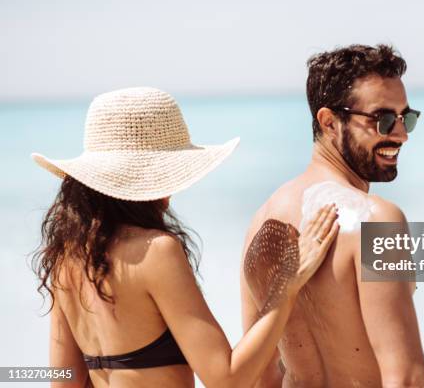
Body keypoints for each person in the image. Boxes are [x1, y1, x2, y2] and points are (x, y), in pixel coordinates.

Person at [31, 87, 339, 388]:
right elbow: (227, 378)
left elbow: (64, 381)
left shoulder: (66, 258)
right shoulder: (155, 252)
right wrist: (286, 285)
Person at [240, 45, 424, 387]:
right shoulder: (375, 220)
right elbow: (406, 377)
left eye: (408, 117)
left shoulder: (260, 221)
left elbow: (259, 375)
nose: (401, 134)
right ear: (329, 122)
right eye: (383, 119)